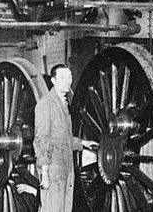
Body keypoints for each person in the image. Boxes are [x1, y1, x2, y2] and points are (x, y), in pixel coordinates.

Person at [34, 64, 96, 212]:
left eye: (70, 77)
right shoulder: (46, 104)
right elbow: (41, 140)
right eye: (63, 78)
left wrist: (84, 143)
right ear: (54, 81)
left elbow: (64, 139)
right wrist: (45, 175)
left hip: (66, 170)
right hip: (53, 170)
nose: (68, 81)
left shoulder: (63, 103)